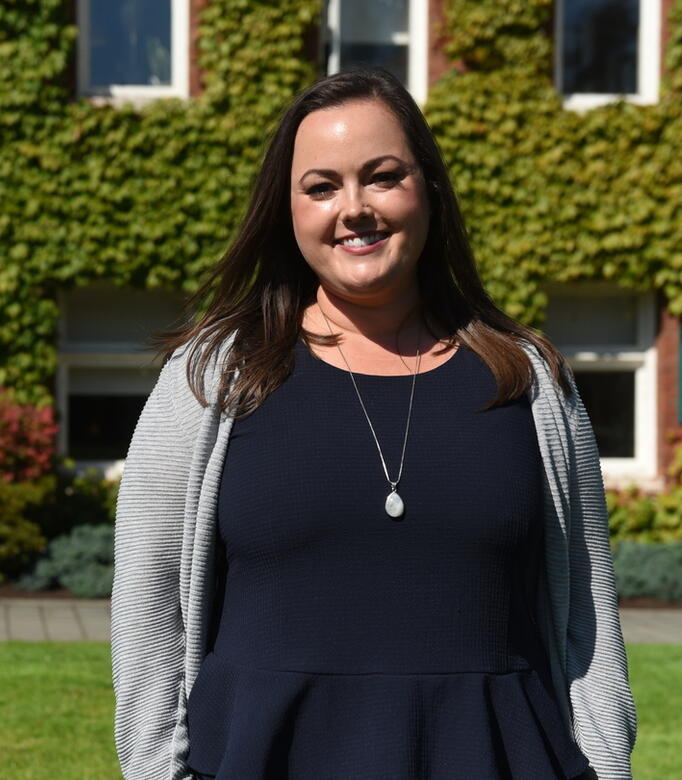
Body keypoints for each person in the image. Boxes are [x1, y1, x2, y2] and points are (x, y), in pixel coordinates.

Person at [110, 68, 637, 780]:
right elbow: (148, 611)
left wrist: (605, 770)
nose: (353, 209)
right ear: (287, 210)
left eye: (382, 177)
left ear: (430, 190)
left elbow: (589, 623)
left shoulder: (530, 381)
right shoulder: (213, 379)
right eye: (321, 187)